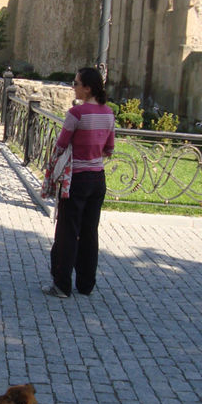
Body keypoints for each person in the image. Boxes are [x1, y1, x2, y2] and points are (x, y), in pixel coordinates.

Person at [43, 66, 115, 298]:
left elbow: (62, 143)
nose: (72, 87)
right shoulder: (109, 113)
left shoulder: (76, 114)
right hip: (98, 178)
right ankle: (86, 285)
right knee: (89, 232)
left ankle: (62, 284)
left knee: (67, 230)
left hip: (76, 178)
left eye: (75, 83)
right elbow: (109, 149)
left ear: (87, 88)